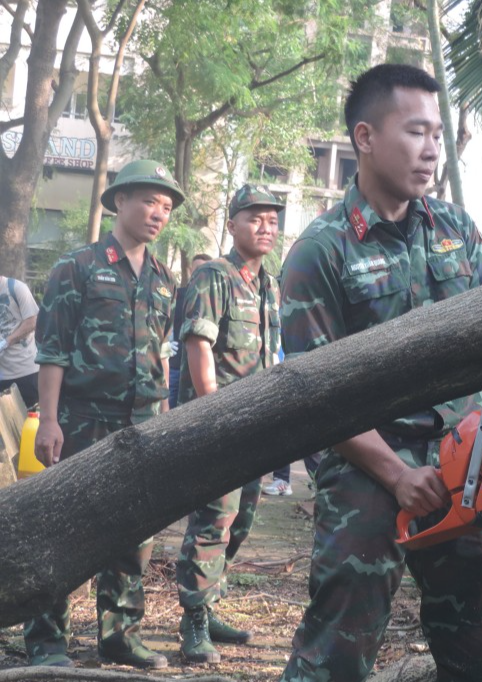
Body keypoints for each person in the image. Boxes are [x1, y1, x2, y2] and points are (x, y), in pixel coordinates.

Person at [278, 63, 482, 682]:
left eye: (437, 137)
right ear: (365, 137)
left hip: (463, 460)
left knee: (481, 651)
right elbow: (316, 398)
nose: (431, 151)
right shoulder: (322, 251)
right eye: (416, 132)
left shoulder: (454, 230)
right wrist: (396, 475)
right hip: (368, 464)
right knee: (336, 657)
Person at [26, 159, 184, 670]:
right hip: (81, 419)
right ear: (119, 201)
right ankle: (47, 638)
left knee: (134, 530)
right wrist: (49, 421)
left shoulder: (163, 279)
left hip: (141, 425)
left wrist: (162, 419)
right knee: (65, 526)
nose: (157, 213)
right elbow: (52, 351)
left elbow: (160, 354)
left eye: (165, 206)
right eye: (147, 201)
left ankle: (120, 634)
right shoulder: (77, 266)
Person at [174, 184, 284, 663]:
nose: (265, 227)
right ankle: (193, 622)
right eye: (255, 218)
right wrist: (215, 412)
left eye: (272, 220)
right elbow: (199, 346)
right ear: (233, 225)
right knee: (213, 520)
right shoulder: (214, 277)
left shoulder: (268, 284)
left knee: (241, 520)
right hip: (217, 424)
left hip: (254, 425)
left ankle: (209, 604)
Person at [168, 253, 212, 409]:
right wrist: (166, 340)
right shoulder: (177, 294)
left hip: (199, 368)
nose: (198, 273)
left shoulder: (213, 299)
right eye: (195, 269)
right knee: (168, 410)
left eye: (202, 268)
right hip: (174, 363)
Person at [0, 274, 40, 408]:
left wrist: (6, 342)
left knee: (28, 421)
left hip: (25, 371)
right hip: (2, 373)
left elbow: (32, 321)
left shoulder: (16, 288)